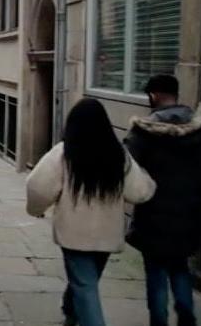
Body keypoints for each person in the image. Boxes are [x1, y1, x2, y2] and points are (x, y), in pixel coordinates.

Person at [27, 98, 156, 326]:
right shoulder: (118, 155)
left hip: (74, 233)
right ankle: (70, 311)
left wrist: (36, 209)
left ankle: (83, 317)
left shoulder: (64, 153)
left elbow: (37, 185)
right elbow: (139, 192)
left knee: (85, 284)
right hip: (107, 234)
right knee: (86, 280)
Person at [125, 75, 201, 326]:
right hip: (189, 215)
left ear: (155, 95)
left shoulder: (145, 132)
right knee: (180, 268)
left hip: (153, 217)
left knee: (157, 273)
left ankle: (159, 322)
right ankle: (187, 318)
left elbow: (127, 167)